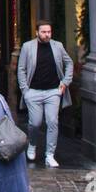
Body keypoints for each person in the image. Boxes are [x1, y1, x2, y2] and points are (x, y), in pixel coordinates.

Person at [17, 20, 74, 167]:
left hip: (53, 91)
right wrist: (25, 90)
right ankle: (32, 144)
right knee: (35, 123)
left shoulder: (58, 46)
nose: (47, 34)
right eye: (43, 32)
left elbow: (69, 63)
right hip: (33, 92)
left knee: (52, 121)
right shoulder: (27, 47)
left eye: (49, 32)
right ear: (37, 32)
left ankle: (50, 154)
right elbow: (21, 69)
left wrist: (65, 82)